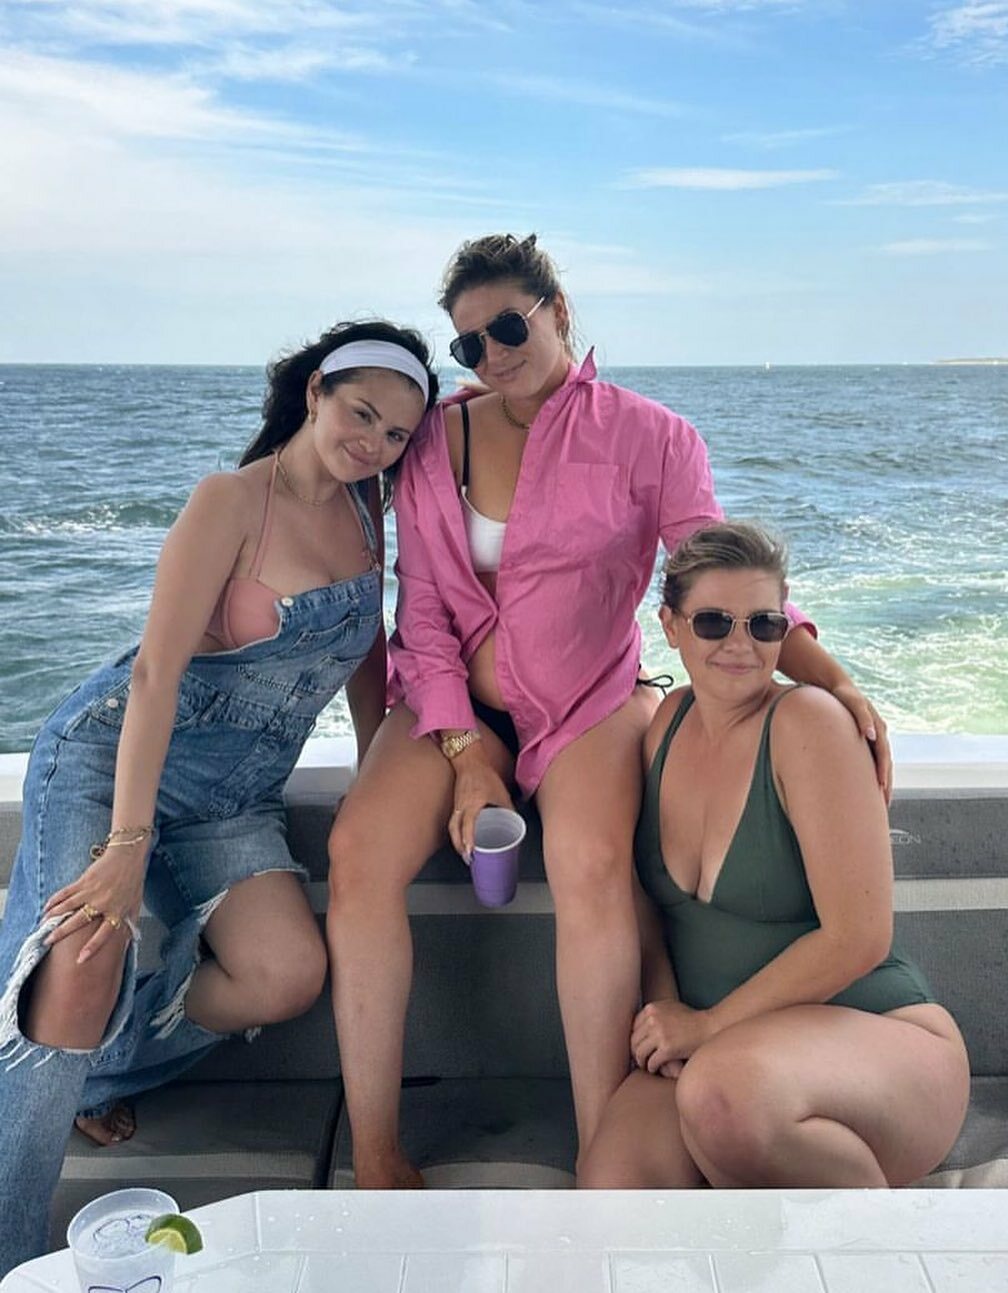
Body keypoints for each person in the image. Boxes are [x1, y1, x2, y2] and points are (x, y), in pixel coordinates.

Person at [326, 233, 891, 1189]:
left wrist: (833, 681)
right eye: (469, 343)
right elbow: (418, 611)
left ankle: (604, 1150)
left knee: (590, 864)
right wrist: (466, 753)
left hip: (588, 703)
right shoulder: (430, 441)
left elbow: (717, 580)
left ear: (558, 312)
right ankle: (377, 1152)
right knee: (354, 854)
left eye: (510, 327)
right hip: (452, 706)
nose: (493, 354)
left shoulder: (654, 437)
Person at [0, 320, 437, 1275]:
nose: (374, 441)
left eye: (398, 433)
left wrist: (377, 782)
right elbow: (154, 675)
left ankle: (89, 1070)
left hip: (235, 800)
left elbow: (369, 654)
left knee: (286, 973)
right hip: (112, 758)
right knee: (76, 965)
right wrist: (127, 844)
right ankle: (11, 1256)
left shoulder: (369, 511)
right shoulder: (230, 500)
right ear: (316, 392)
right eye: (362, 413)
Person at [578, 521, 970, 1189]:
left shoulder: (809, 724)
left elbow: (859, 938)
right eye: (713, 623)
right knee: (611, 1189)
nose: (740, 644)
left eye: (764, 625)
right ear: (670, 627)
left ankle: (877, 1239)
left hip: (876, 1041)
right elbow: (649, 913)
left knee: (723, 1097)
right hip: (716, 1052)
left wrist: (708, 1026)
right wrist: (669, 1023)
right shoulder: (665, 724)